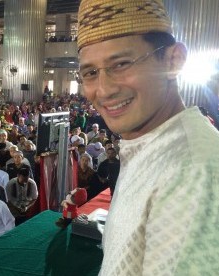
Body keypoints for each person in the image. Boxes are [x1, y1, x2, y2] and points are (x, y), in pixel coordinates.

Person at [76, 0, 219, 274]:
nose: (103, 90)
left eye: (121, 64)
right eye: (91, 73)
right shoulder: (147, 143)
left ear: (173, 60)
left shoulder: (193, 171)